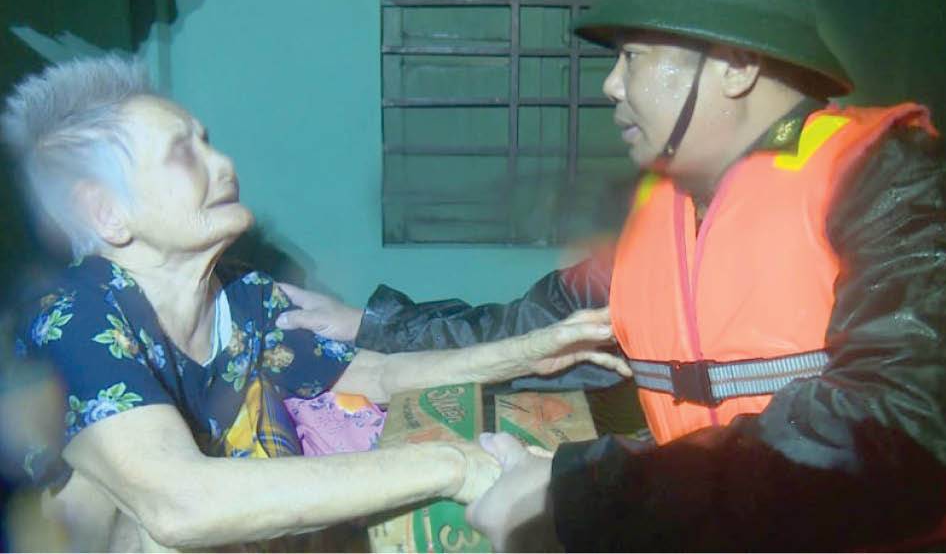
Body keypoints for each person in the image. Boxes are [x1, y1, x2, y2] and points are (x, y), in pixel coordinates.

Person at [277, 0, 946, 551]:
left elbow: (904, 425)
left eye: (633, 57)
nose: (611, 84)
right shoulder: (666, 206)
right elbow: (533, 327)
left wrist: (587, 493)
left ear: (736, 64)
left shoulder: (892, 176)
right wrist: (372, 325)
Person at [0, 55, 632, 551]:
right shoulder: (72, 317)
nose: (223, 163)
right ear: (107, 213)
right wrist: (456, 466)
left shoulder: (242, 298)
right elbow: (180, 503)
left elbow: (379, 373)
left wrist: (533, 352)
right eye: (182, 153)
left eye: (208, 141)